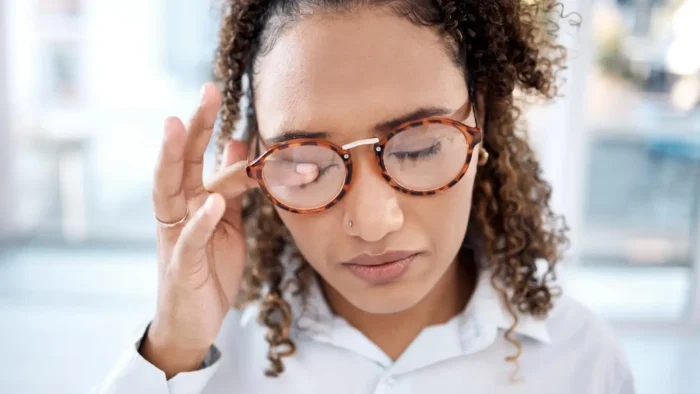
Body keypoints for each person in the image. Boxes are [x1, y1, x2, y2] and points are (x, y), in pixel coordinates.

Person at [97, 0, 634, 393]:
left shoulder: (581, 362)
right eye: (307, 161)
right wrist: (173, 350)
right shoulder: (198, 361)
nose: (372, 223)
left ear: (482, 120)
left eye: (420, 148)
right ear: (255, 160)